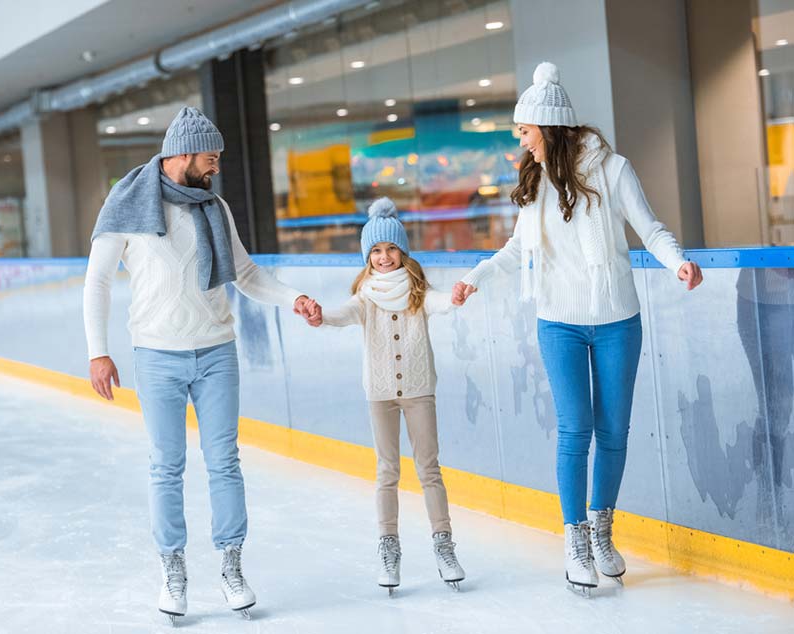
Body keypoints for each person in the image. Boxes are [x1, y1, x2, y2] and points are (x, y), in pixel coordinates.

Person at [452, 62, 703, 596]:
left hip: (616, 321)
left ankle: (604, 528)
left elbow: (649, 228)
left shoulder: (613, 170)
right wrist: (475, 278)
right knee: (575, 430)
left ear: (548, 127)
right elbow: (517, 249)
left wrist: (677, 262)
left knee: (613, 432)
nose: (520, 140)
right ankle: (576, 540)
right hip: (558, 322)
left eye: (524, 130)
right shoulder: (535, 180)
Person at [83, 106, 321, 623]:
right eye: (211, 158)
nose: (216, 167)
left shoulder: (216, 207)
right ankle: (173, 570)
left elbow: (246, 273)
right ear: (183, 154)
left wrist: (294, 297)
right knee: (166, 466)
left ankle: (232, 565)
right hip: (157, 355)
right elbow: (97, 281)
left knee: (224, 461)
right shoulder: (126, 204)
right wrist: (98, 351)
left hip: (215, 350)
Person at [318, 197, 465, 595]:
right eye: (376, 251)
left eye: (391, 249)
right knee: (387, 472)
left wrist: (454, 299)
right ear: (368, 257)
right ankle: (388, 546)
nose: (384, 257)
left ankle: (443, 543)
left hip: (419, 390)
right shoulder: (365, 295)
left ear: (403, 251)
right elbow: (342, 313)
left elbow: (438, 303)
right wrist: (319, 315)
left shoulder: (419, 291)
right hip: (380, 392)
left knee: (429, 469)